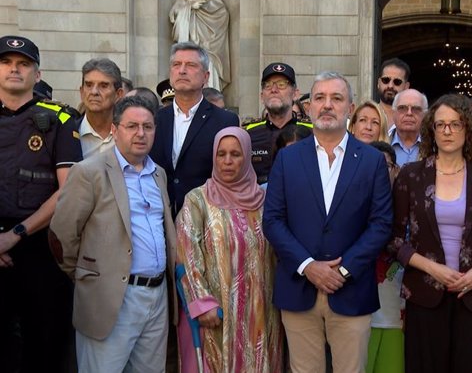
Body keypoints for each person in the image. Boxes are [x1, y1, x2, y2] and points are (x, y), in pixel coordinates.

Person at [263, 71, 392, 373]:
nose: (327, 105)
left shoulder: (372, 161)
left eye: (336, 98)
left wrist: (344, 270)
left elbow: (381, 224)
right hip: (299, 288)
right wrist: (308, 266)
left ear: (350, 108)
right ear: (308, 107)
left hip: (352, 288)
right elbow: (273, 221)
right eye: (319, 98)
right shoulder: (288, 158)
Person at [50, 96, 177, 372]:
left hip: (156, 298)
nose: (141, 133)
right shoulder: (89, 172)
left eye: (148, 126)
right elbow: (62, 235)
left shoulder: (159, 175)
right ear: (114, 130)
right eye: (132, 126)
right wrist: (90, 275)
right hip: (110, 299)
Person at [391, 93, 472, 373]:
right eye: (440, 125)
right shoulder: (411, 175)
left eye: (456, 124)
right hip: (425, 295)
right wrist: (432, 268)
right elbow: (392, 239)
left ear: (469, 128)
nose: (447, 131)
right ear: (431, 130)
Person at [0, 35, 82, 373]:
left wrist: (14, 235)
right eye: (6, 63)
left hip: (39, 246)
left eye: (23, 64)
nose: (14, 70)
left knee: (45, 345)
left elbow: (68, 190)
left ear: (37, 73)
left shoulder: (61, 119)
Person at [176, 127, 283, 373]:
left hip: (262, 311)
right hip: (218, 314)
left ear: (246, 157)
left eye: (235, 154)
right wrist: (202, 303)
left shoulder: (266, 201)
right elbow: (187, 255)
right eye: (221, 154)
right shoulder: (198, 200)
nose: (227, 161)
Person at [149, 41, 239, 216]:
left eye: (190, 65)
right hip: (159, 218)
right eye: (176, 65)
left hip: (206, 218)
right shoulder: (154, 120)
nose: (182, 70)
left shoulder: (225, 121)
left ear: (206, 76)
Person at [363, 140, 403, 373]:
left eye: (385, 166)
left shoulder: (408, 204)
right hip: (360, 317)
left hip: (397, 317)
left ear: (395, 170)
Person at [246, 62, 313, 184]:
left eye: (281, 85)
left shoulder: (311, 134)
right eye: (268, 85)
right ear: (262, 96)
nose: (274, 90)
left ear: (295, 94)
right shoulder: (248, 134)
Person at [169, 0, 230, 90]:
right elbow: (173, 14)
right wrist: (190, 7)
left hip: (208, 41)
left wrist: (205, 9)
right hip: (191, 38)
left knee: (208, 62)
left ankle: (210, 92)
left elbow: (222, 14)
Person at [77, 58, 124, 158]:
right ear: (81, 92)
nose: (94, 92)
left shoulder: (128, 134)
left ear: (118, 94)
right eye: (89, 85)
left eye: (103, 86)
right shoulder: (68, 133)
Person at [389, 89, 428, 166]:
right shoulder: (381, 143)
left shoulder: (435, 147)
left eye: (416, 109)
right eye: (402, 108)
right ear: (394, 114)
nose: (409, 113)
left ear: (425, 115)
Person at [377, 58, 410, 132]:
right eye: (385, 80)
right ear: (378, 83)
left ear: (406, 87)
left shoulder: (412, 120)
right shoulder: (365, 118)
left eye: (397, 82)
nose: (390, 86)